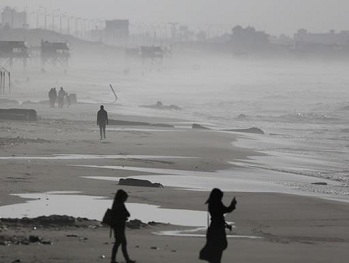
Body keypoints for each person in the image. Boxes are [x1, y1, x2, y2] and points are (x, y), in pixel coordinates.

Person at [199, 188, 237, 263]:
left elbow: (218, 216)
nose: (221, 198)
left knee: (215, 253)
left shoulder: (211, 203)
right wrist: (233, 205)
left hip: (213, 228)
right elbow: (226, 210)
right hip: (218, 230)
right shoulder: (217, 203)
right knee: (218, 251)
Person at [110, 189, 136, 263]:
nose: (125, 199)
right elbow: (127, 214)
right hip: (119, 226)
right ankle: (121, 260)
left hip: (117, 226)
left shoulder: (116, 203)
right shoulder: (120, 204)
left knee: (119, 243)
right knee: (120, 243)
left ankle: (117, 259)